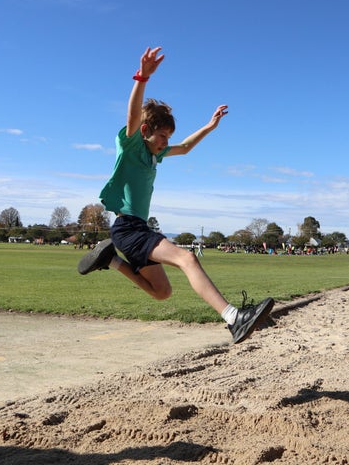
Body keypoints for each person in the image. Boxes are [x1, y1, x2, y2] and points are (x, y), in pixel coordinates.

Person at [77, 46, 273, 343]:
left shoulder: (156, 155)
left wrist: (209, 126)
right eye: (162, 136)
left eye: (168, 137)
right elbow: (132, 114)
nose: (166, 143)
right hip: (128, 227)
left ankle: (110, 260)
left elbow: (185, 147)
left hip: (135, 229)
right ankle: (234, 317)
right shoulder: (130, 145)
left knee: (162, 292)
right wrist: (142, 77)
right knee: (188, 259)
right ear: (145, 130)